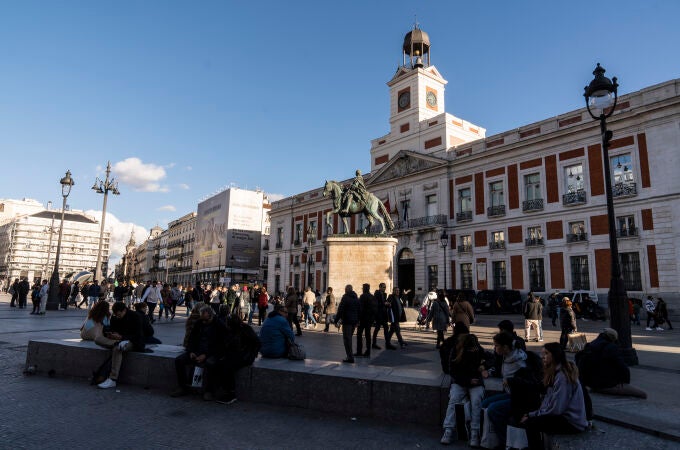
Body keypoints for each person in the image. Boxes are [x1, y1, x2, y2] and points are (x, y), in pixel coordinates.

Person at [520, 343, 588, 449]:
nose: (542, 357)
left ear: (555, 355)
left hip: (571, 422)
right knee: (527, 416)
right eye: (542, 353)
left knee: (530, 423)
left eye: (546, 353)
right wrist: (534, 413)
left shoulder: (562, 377)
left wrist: (532, 415)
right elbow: (548, 401)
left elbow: (556, 409)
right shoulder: (555, 372)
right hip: (564, 416)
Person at [171, 306, 229, 400]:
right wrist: (191, 351)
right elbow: (192, 338)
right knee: (179, 360)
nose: (203, 322)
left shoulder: (219, 325)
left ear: (211, 316)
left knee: (211, 364)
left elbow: (221, 345)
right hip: (197, 351)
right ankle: (183, 387)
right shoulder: (199, 322)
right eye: (202, 319)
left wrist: (206, 355)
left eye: (205, 320)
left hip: (212, 353)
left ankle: (209, 391)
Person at [480, 332, 527, 447]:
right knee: (484, 403)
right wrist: (488, 371)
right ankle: (490, 438)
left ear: (505, 347)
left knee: (493, 409)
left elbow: (525, 384)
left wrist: (511, 382)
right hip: (509, 393)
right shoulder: (505, 356)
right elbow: (499, 370)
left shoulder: (519, 361)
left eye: (496, 346)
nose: (494, 348)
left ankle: (504, 441)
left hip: (519, 398)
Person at [577, 328, 647, 401]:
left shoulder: (589, 346)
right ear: (613, 338)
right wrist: (624, 383)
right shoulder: (611, 347)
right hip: (607, 385)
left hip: (591, 384)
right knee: (643, 394)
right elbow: (623, 368)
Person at [440, 333, 486, 446]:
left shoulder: (478, 349)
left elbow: (492, 358)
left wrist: (484, 367)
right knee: (454, 399)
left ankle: (475, 431)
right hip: (460, 382)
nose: (473, 350)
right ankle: (448, 429)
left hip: (475, 382)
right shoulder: (455, 351)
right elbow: (453, 372)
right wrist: (468, 381)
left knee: (477, 401)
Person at [97, 301, 145, 389]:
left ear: (124, 311)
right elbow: (112, 328)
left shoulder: (135, 316)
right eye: (116, 315)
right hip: (117, 340)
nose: (118, 317)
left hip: (132, 341)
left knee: (117, 348)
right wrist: (110, 333)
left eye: (119, 315)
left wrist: (122, 337)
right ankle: (116, 343)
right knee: (97, 339)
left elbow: (138, 335)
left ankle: (113, 379)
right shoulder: (115, 317)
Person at [335, 284, 361, 363]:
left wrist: (336, 320)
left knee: (347, 339)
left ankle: (350, 357)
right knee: (349, 338)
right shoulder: (356, 298)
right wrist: (358, 321)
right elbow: (359, 310)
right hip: (353, 322)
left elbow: (340, 310)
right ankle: (350, 356)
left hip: (347, 321)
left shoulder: (345, 297)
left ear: (346, 290)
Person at [355, 284, 375, 357]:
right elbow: (374, 309)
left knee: (359, 335)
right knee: (368, 335)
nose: (362, 289)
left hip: (363, 319)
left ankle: (359, 351)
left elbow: (360, 309)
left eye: (362, 288)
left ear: (364, 288)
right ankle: (368, 351)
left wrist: (358, 319)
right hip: (369, 320)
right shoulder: (372, 297)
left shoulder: (362, 296)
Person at [371, 283, 389, 348]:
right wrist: (384, 304)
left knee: (386, 328)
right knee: (377, 329)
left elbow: (384, 302)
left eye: (385, 287)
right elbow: (376, 304)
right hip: (378, 315)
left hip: (384, 314)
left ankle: (387, 343)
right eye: (383, 287)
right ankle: (374, 343)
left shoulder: (384, 294)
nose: (385, 288)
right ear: (380, 287)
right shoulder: (376, 294)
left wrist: (388, 304)